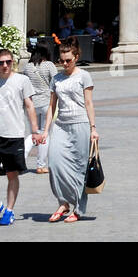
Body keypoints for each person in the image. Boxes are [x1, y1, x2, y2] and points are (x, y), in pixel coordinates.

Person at [0, 49, 43, 226]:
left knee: (12, 174)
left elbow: (29, 106)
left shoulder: (22, 80)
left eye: (8, 62)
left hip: (14, 135)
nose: (5, 65)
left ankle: (9, 210)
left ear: (13, 62)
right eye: (1, 63)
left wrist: (35, 130)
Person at [43, 42, 96, 223]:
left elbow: (89, 103)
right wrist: (45, 130)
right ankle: (63, 202)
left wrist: (93, 128)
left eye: (68, 60)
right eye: (61, 60)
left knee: (79, 168)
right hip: (61, 125)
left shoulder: (84, 76)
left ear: (76, 58)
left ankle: (79, 208)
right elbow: (51, 106)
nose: (64, 64)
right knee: (54, 163)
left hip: (80, 123)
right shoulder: (56, 78)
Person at [23, 44, 58, 173]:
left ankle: (21, 158)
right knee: (45, 133)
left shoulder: (27, 66)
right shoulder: (49, 65)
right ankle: (41, 165)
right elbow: (56, 83)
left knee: (34, 133)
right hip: (46, 103)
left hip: (31, 104)